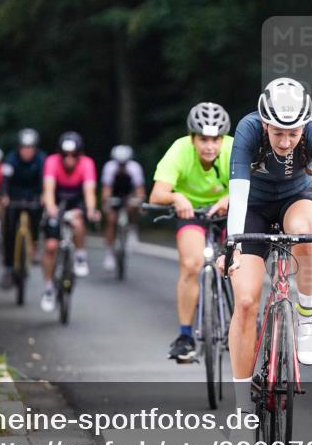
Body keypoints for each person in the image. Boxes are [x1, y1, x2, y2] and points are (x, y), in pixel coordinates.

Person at [223, 78, 312, 424]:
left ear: (304, 125)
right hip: (254, 208)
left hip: (296, 201)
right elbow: (238, 196)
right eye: (278, 133)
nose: (286, 141)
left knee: (306, 233)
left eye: (293, 133)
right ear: (265, 123)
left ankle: (307, 316)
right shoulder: (248, 130)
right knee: (246, 302)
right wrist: (232, 245)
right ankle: (241, 405)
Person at [149, 102, 233, 362]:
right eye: (203, 139)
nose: (210, 146)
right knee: (191, 264)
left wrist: (231, 198)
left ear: (223, 139)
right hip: (192, 215)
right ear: (192, 138)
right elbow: (156, 194)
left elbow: (256, 186)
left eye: (215, 140)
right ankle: (185, 336)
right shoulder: (179, 150)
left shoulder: (234, 148)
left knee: (241, 265)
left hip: (229, 212)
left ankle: (243, 321)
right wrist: (176, 198)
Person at [39, 132, 99, 312]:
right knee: (50, 247)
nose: (69, 159)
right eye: (65, 155)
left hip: (76, 202)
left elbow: (89, 192)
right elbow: (48, 190)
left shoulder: (87, 164)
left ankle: (80, 255)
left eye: (74, 155)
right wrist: (51, 208)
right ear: (60, 154)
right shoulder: (51, 162)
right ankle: (49, 288)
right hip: (57, 202)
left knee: (78, 222)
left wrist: (90, 210)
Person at [0, 128, 47, 289]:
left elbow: (45, 179)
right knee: (9, 230)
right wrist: (4, 195)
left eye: (30, 147)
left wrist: (43, 195)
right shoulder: (11, 159)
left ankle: (34, 243)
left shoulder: (41, 159)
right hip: (14, 197)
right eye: (24, 147)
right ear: (19, 148)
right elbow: (5, 179)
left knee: (38, 216)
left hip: (33, 196)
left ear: (35, 148)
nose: (27, 151)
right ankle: (8, 267)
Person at [100, 144, 146, 272]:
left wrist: (139, 201)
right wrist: (106, 202)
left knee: (133, 206)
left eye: (124, 163)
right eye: (119, 163)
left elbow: (139, 189)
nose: (121, 166)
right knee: (111, 220)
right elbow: (106, 189)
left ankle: (132, 230)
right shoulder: (109, 168)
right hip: (114, 194)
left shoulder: (134, 168)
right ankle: (109, 253)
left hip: (128, 194)